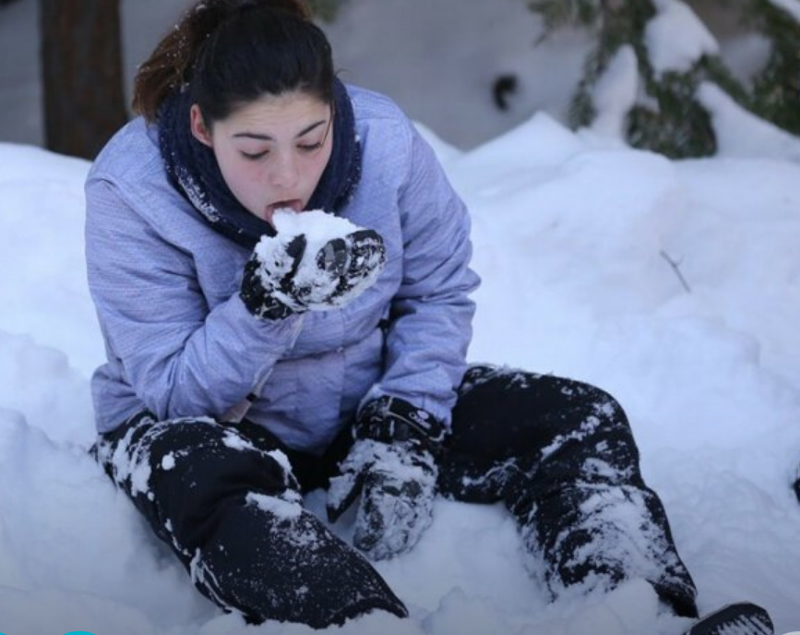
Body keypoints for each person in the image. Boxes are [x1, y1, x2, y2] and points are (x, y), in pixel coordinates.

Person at [83, 0, 774, 632]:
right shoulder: (132, 190)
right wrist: (264, 306)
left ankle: (645, 612)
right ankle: (367, 623)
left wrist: (403, 422)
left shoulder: (383, 143)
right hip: (211, 425)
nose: (290, 176)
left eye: (311, 139)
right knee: (207, 483)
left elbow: (438, 289)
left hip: (360, 395)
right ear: (204, 127)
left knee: (575, 419)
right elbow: (172, 394)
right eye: (256, 151)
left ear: (336, 107)